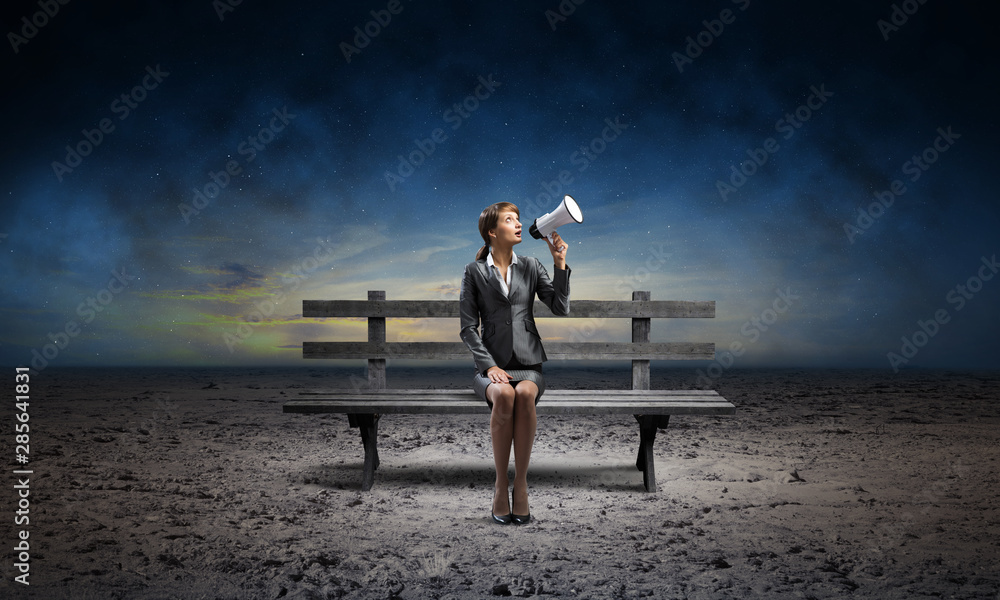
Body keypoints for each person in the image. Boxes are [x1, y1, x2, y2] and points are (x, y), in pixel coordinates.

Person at [459, 202, 570, 525]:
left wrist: (559, 263)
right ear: (493, 232)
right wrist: (489, 367)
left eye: (519, 219)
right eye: (510, 220)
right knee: (505, 394)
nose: (519, 224)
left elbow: (560, 308)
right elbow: (468, 327)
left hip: (529, 366)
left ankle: (520, 484)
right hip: (489, 368)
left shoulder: (533, 266)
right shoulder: (474, 271)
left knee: (522, 393)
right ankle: (499, 484)